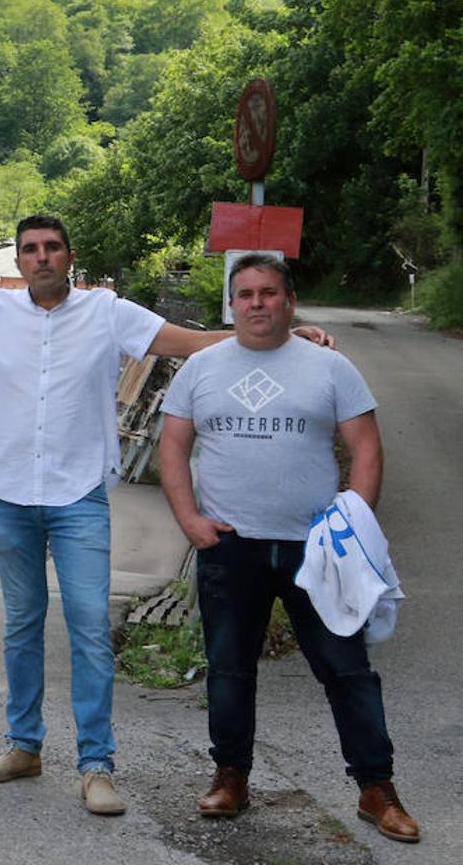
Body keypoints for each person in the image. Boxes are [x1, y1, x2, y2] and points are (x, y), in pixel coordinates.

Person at [0, 215, 330, 816]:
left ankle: (96, 766)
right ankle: (23, 746)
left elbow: (191, 342)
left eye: (52, 248)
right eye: (30, 250)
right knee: (21, 625)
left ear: (69, 255)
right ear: (18, 261)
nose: (41, 258)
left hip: (78, 497)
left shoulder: (107, 312)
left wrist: (288, 333)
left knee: (90, 629)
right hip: (9, 491)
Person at [157, 253, 417, 843]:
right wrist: (189, 520)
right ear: (231, 304)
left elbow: (367, 448)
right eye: (245, 294)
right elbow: (173, 447)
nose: (256, 303)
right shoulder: (202, 367)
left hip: (316, 549)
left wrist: (352, 522)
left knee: (347, 670)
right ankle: (231, 776)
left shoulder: (329, 367)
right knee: (228, 668)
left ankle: (377, 789)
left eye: (268, 293)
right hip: (230, 544)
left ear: (289, 299)